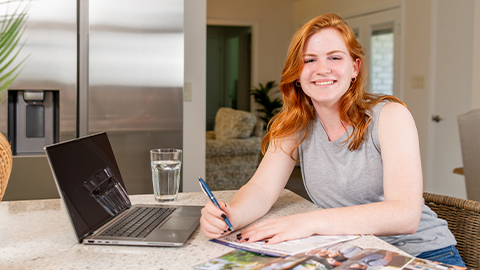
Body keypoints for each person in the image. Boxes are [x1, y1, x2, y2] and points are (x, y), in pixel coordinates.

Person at [200, 13, 465, 267]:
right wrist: (231, 215)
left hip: (423, 253)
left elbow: (405, 215)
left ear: (354, 67)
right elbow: (261, 189)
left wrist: (309, 222)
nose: (322, 69)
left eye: (335, 57)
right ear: (297, 74)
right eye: (310, 60)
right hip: (356, 253)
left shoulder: (390, 116)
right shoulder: (295, 125)